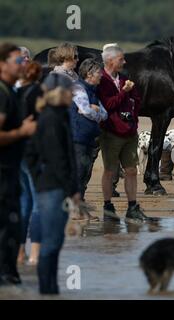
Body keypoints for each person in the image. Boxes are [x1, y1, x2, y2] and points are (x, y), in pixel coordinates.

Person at [26, 73, 79, 294]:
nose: (74, 94)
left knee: (55, 243)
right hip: (52, 189)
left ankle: (51, 289)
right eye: (71, 90)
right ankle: (47, 290)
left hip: (55, 187)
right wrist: (71, 191)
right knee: (50, 243)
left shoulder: (59, 115)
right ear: (61, 92)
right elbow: (57, 159)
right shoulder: (50, 118)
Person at [97, 44, 148, 222]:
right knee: (110, 171)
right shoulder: (101, 79)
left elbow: (137, 100)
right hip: (110, 132)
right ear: (110, 60)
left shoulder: (124, 78)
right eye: (121, 59)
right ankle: (107, 206)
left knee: (132, 170)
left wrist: (133, 118)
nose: (124, 62)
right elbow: (108, 104)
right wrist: (123, 93)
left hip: (129, 131)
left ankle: (132, 206)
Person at [0, 42, 36, 286]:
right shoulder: (2, 94)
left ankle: (10, 273)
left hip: (10, 170)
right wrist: (22, 132)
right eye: (18, 61)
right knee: (7, 225)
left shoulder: (10, 91)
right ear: (2, 65)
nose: (24, 64)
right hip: (3, 172)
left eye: (24, 60)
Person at [71, 58, 107, 220]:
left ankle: (80, 209)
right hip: (78, 137)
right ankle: (75, 211)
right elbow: (85, 110)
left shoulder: (92, 90)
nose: (101, 75)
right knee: (79, 174)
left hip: (89, 138)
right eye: (99, 72)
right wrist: (95, 111)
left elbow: (104, 114)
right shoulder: (79, 88)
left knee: (85, 174)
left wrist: (96, 110)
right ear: (89, 74)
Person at [16, 61, 43, 266]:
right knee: (37, 205)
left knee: (24, 204)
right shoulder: (37, 93)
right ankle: (35, 253)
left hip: (15, 152)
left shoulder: (12, 92)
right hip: (34, 152)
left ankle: (19, 252)